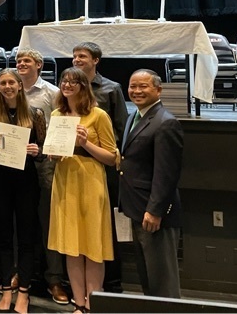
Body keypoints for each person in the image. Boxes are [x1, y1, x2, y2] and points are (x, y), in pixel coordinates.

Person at [48, 67, 118, 313]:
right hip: (65, 181)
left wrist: (85, 143)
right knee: (72, 247)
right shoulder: (57, 114)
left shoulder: (98, 115)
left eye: (73, 82)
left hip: (90, 182)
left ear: (83, 86)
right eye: (64, 81)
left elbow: (112, 157)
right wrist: (53, 153)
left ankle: (93, 303)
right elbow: (55, 154)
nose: (67, 85)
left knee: (92, 246)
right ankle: (79, 304)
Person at [120, 69, 183, 298]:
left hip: (154, 215)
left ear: (158, 90)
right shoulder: (134, 116)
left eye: (143, 86)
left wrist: (155, 211)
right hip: (137, 209)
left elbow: (167, 173)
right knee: (148, 278)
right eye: (132, 86)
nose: (136, 91)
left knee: (163, 282)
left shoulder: (166, 123)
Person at [0, 69, 46, 313]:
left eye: (12, 82)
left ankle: (24, 292)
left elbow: (45, 151)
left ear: (20, 86)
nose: (8, 86)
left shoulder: (35, 114)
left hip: (26, 182)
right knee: (2, 237)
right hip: (0, 181)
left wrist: (37, 151)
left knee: (26, 238)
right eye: (3, 83)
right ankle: (6, 289)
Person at [72, 41, 128, 292]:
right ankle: (80, 287)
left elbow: (121, 129)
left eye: (82, 56)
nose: (77, 60)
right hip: (74, 168)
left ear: (96, 60)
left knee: (106, 229)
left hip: (103, 167)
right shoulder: (69, 91)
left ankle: (112, 285)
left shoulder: (110, 89)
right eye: (74, 57)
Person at [15, 49, 69, 305]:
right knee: (21, 223)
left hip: (46, 165)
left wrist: (46, 151)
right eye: (18, 61)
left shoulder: (52, 93)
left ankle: (54, 279)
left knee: (49, 225)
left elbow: (60, 128)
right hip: (17, 164)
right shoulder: (10, 90)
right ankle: (20, 272)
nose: (21, 64)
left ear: (38, 65)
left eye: (27, 61)